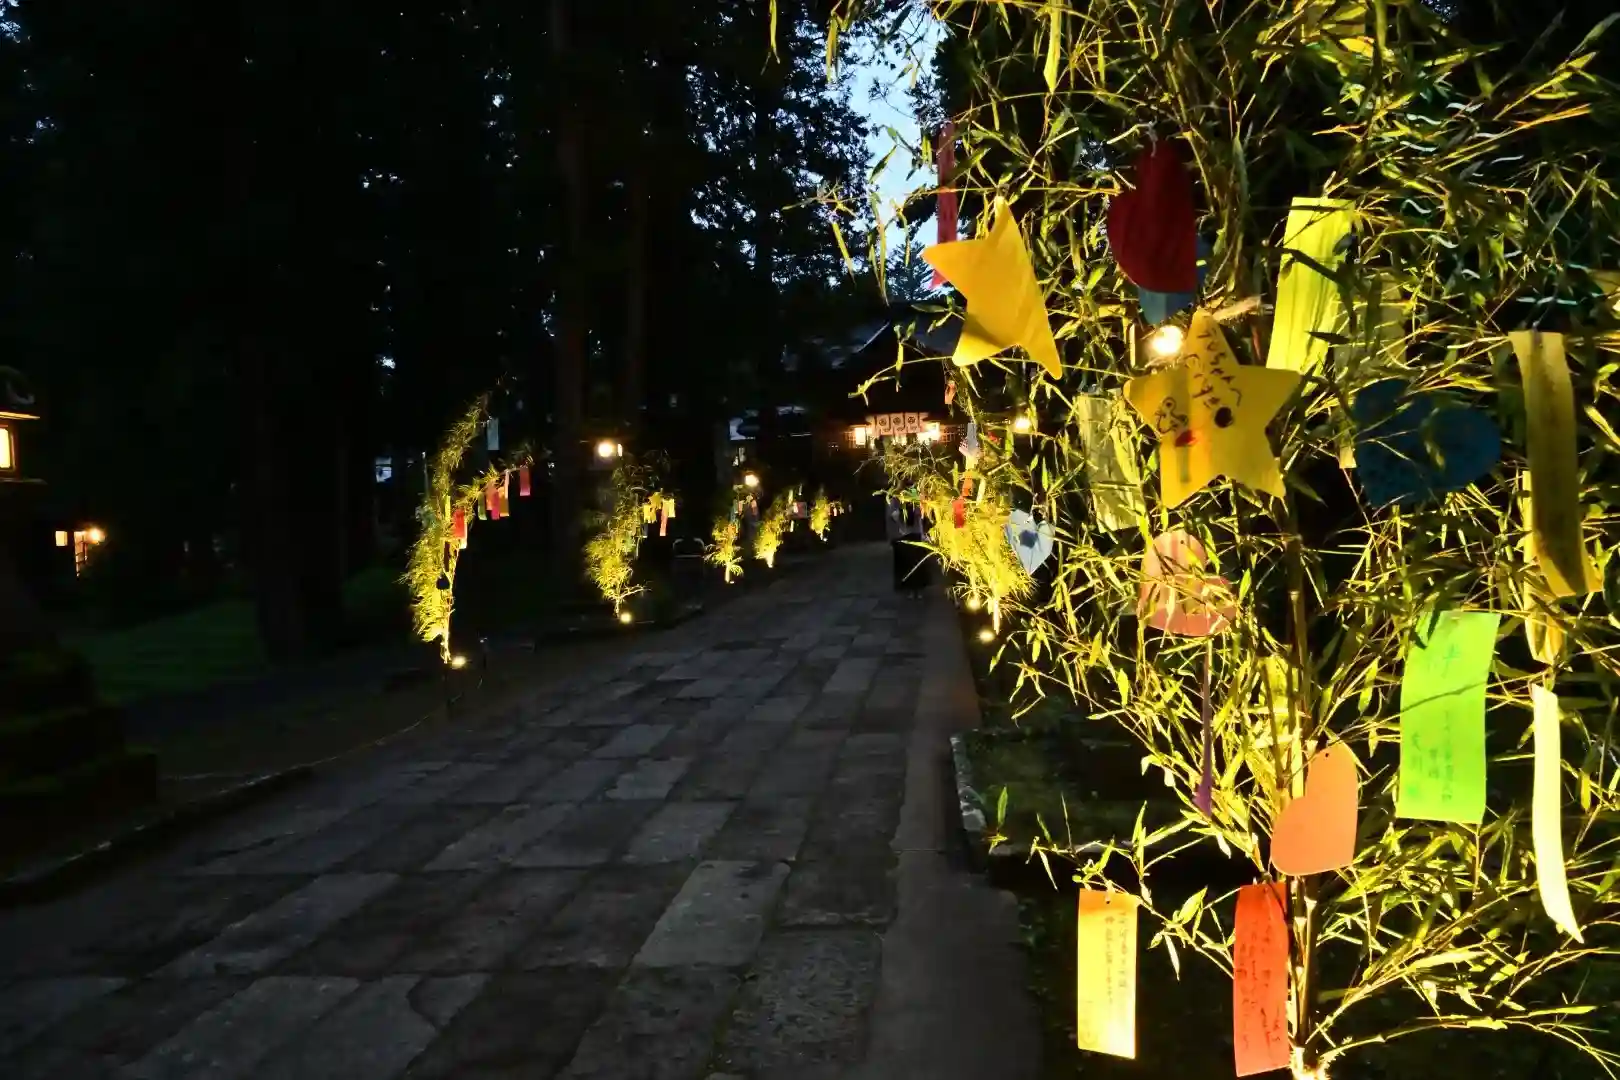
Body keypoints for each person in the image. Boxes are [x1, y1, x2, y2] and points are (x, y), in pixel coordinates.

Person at [886, 497, 930, 598]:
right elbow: (893, 515)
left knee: (916, 563)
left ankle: (917, 589)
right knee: (908, 563)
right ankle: (911, 589)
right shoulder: (896, 499)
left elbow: (921, 516)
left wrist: (923, 533)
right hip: (905, 534)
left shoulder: (915, 497)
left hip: (914, 533)